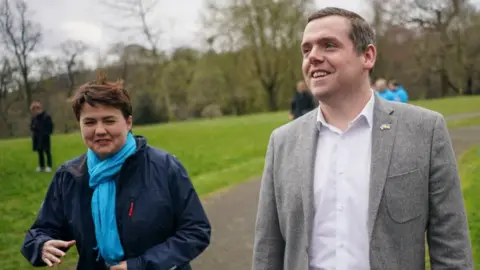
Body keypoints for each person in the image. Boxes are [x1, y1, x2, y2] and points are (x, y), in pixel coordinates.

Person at [252, 7, 473, 270]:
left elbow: (452, 250)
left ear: (367, 56)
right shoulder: (282, 142)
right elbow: (267, 251)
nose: (313, 57)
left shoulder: (425, 130)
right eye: (306, 49)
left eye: (328, 45)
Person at [21, 74, 211, 270]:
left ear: (128, 123)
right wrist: (41, 245)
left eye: (109, 120)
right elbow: (40, 231)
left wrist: (140, 265)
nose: (100, 130)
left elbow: (196, 231)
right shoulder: (69, 176)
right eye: (90, 122)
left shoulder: (165, 167)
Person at [30, 101, 54, 172]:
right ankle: (41, 166)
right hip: (37, 137)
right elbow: (31, 126)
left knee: (47, 151)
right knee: (39, 152)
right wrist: (33, 128)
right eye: (33, 110)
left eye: (35, 110)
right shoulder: (34, 118)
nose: (35, 112)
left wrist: (46, 133)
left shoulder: (46, 117)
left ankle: (49, 166)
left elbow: (50, 127)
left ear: (39, 108)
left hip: (45, 137)